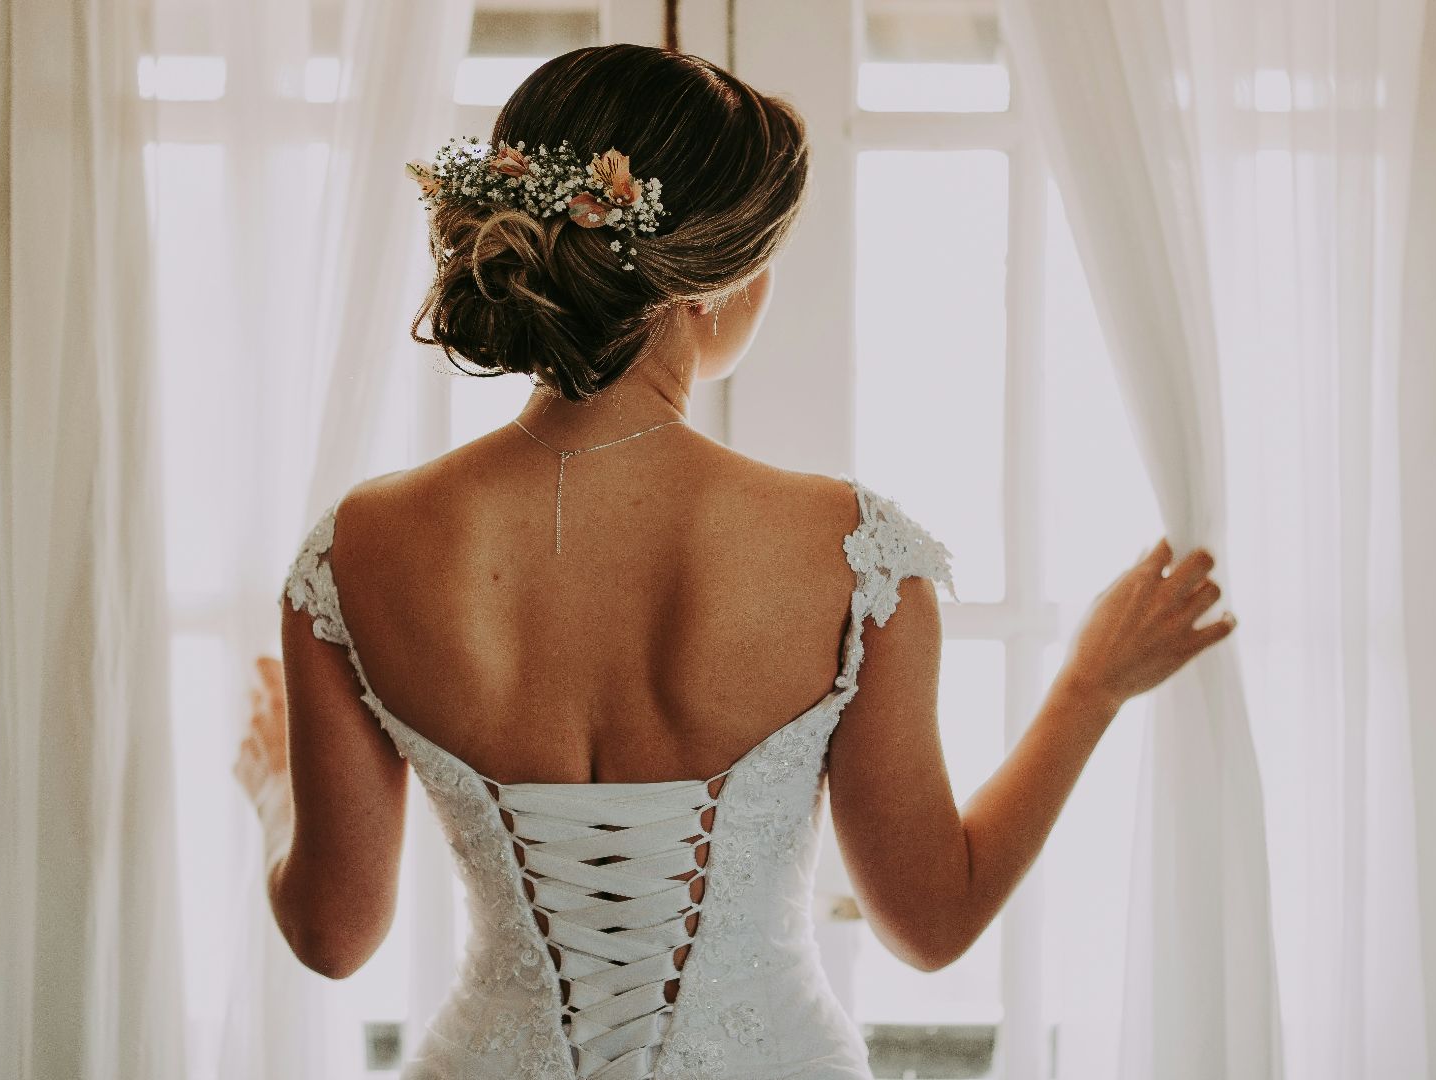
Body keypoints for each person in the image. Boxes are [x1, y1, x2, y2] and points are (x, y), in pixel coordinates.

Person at [232, 42, 1234, 1080]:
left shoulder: (361, 546)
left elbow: (332, 935)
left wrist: (272, 790)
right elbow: (933, 923)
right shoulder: (852, 555)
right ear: (714, 286)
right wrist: (1088, 686)